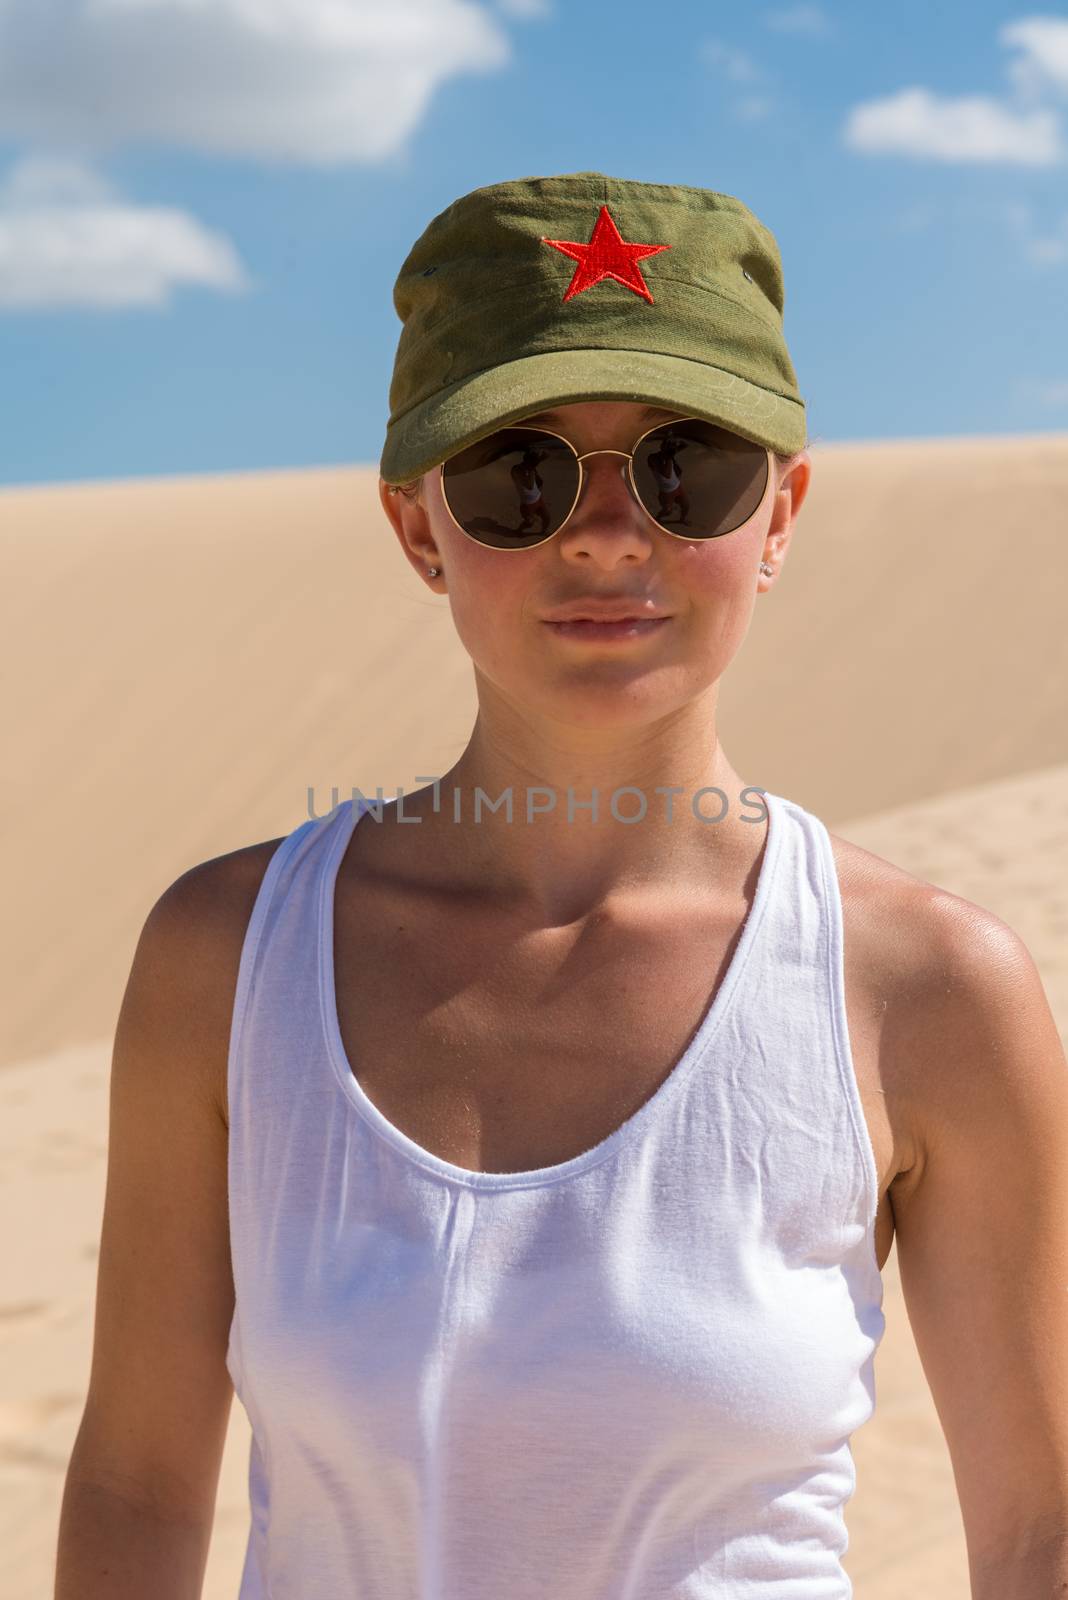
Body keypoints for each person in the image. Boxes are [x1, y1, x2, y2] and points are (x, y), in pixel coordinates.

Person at [55, 172, 1068, 1599]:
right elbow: (135, 1482)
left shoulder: (929, 988)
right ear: (420, 528)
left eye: (687, 466)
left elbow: (1040, 1532)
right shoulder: (227, 955)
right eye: (519, 472)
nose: (606, 533)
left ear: (779, 515)